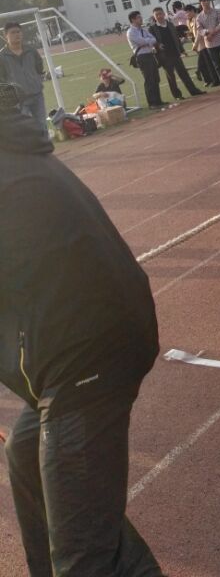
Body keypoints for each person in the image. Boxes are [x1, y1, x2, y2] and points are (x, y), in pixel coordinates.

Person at [0, 82, 165, 577]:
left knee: (82, 557)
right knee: (27, 457)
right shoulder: (15, 153)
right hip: (81, 335)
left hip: (88, 353)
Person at [0, 21, 47, 132]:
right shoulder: (2, 56)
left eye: (18, 32)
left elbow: (39, 68)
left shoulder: (31, 51)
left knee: (42, 125)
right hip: (18, 100)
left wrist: (36, 81)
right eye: (13, 32)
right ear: (5, 36)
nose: (17, 34)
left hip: (37, 95)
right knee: (25, 129)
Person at [149, 6, 204, 99]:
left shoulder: (170, 25)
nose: (159, 16)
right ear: (154, 16)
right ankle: (177, 95)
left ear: (164, 14)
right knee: (171, 77)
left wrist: (182, 50)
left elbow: (176, 39)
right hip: (164, 56)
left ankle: (193, 91)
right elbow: (152, 41)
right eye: (156, 15)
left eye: (160, 14)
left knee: (184, 73)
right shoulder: (152, 28)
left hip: (175, 53)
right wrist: (158, 45)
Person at [126, 12, 166, 109]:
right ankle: (152, 103)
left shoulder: (143, 30)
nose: (141, 19)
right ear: (133, 20)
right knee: (149, 79)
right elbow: (141, 42)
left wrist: (147, 41)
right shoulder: (131, 32)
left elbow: (154, 39)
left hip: (150, 54)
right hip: (142, 56)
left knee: (155, 78)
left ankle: (158, 101)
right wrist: (148, 41)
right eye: (138, 17)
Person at [186, 4, 220, 87]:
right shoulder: (191, 20)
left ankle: (215, 80)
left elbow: (199, 33)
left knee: (208, 63)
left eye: (187, 12)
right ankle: (209, 79)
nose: (187, 14)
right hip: (200, 45)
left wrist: (195, 44)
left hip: (204, 44)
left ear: (192, 11)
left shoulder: (197, 18)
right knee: (205, 63)